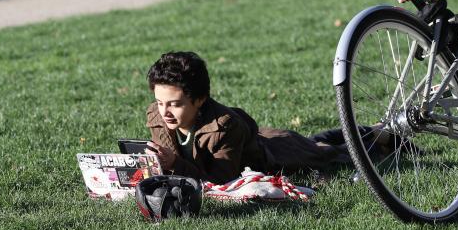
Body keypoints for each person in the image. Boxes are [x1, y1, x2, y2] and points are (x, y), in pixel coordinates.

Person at [144, 51, 380, 184]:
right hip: (262, 139)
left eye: (174, 104)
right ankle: (376, 131)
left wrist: (174, 164)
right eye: (160, 102)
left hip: (276, 156)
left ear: (200, 99)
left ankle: (384, 137)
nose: (165, 112)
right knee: (319, 141)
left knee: (329, 154)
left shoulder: (225, 127)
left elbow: (218, 181)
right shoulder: (158, 116)